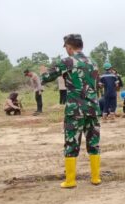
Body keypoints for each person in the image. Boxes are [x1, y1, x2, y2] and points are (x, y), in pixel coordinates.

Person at [40, 34, 101, 188]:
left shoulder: (67, 61)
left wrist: (43, 72)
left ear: (69, 46)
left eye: (66, 47)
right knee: (93, 142)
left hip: (75, 108)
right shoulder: (93, 62)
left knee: (71, 142)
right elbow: (97, 84)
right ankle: (95, 178)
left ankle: (70, 181)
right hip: (93, 107)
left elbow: (46, 77)